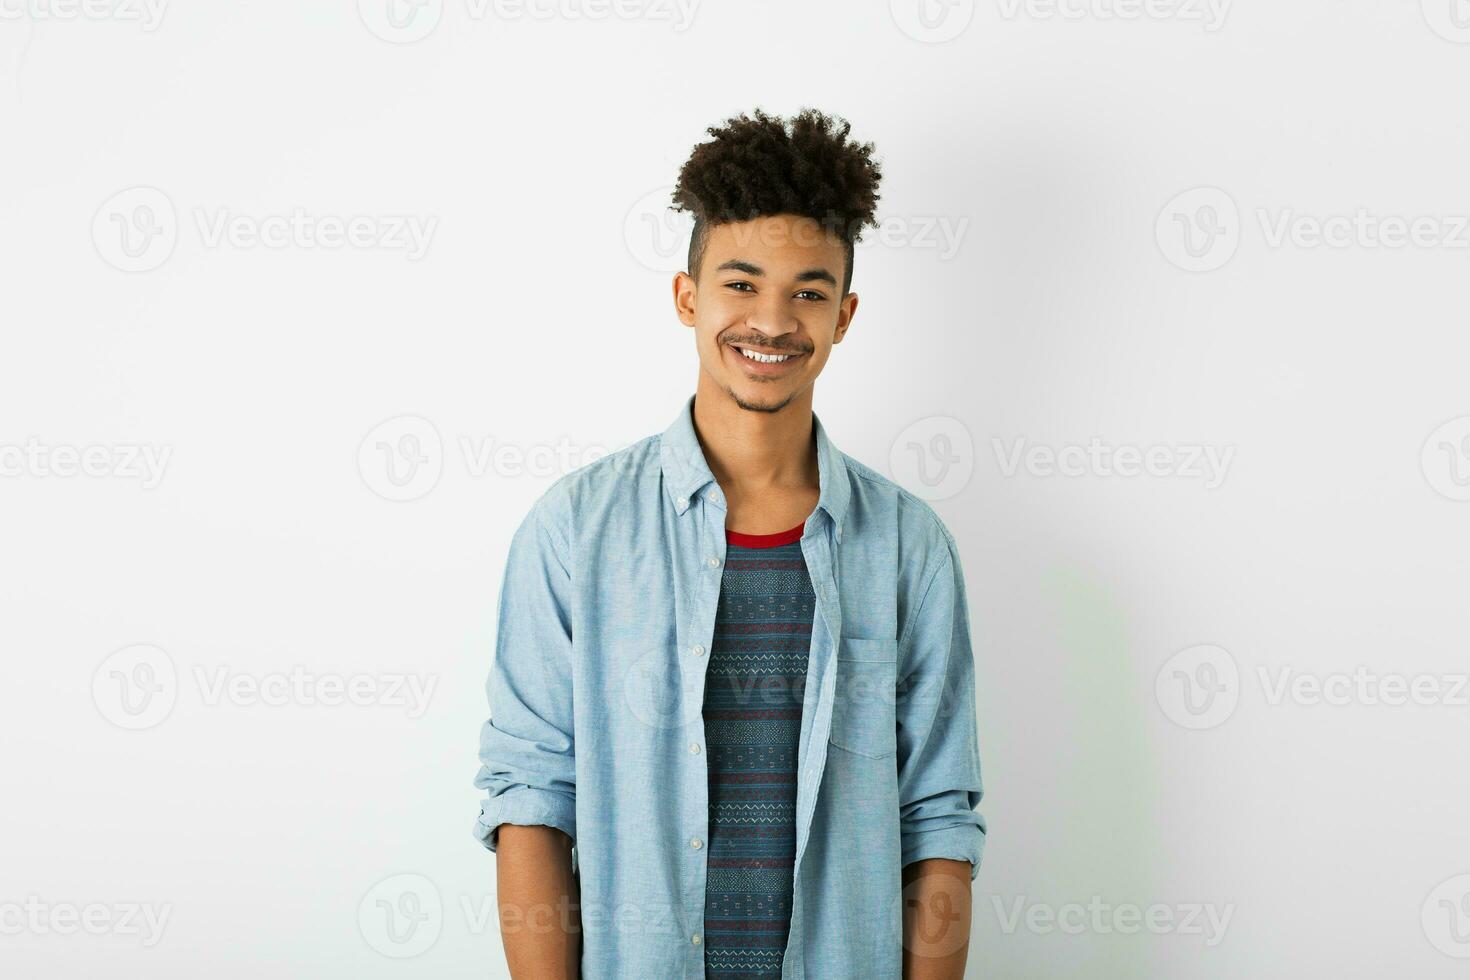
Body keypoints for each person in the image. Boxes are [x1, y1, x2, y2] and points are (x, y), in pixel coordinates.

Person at [474, 107, 986, 979]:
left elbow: (936, 818)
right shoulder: (575, 532)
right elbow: (532, 799)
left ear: (846, 314)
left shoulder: (908, 547)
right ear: (688, 296)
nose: (773, 322)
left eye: (809, 292)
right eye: (742, 284)